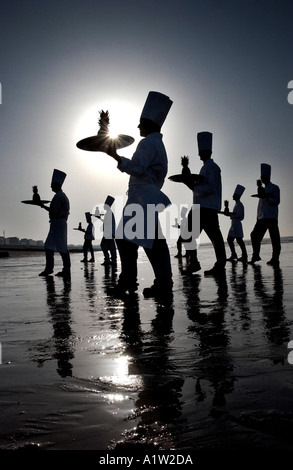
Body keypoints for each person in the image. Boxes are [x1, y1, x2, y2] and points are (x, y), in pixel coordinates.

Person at [106, 91, 173, 302]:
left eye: (140, 123)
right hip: (146, 198)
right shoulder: (158, 144)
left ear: (149, 123)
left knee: (129, 241)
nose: (137, 127)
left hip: (142, 199)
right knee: (152, 242)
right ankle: (162, 283)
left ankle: (129, 281)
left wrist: (115, 155)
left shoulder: (148, 143)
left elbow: (137, 167)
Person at [183, 131, 226, 276]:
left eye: (203, 152)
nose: (200, 154)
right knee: (192, 234)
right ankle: (195, 262)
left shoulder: (212, 167)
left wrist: (194, 186)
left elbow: (211, 187)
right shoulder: (205, 168)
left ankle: (213, 264)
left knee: (211, 236)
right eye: (200, 152)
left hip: (206, 208)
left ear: (209, 152)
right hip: (202, 207)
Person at [39, 169, 71, 278]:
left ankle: (65, 270)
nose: (51, 187)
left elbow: (54, 211)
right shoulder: (61, 196)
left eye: (52, 185)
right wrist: (43, 206)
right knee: (49, 246)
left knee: (61, 247)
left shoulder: (59, 197)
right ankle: (50, 269)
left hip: (58, 223)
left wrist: (42, 205)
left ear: (57, 184)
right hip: (58, 223)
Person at [249, 163, 281, 266]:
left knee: (274, 239)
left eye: (264, 177)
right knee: (254, 236)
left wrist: (266, 197)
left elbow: (276, 201)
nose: (263, 179)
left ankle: (275, 259)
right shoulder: (262, 189)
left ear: (268, 177)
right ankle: (256, 255)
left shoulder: (275, 188)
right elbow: (260, 205)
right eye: (262, 178)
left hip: (271, 217)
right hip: (262, 218)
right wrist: (257, 217)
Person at [225, 184, 248, 263]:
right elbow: (234, 214)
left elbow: (240, 215)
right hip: (233, 224)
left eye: (234, 195)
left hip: (237, 224)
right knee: (230, 239)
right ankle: (234, 254)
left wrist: (231, 215)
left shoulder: (240, 205)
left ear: (237, 196)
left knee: (239, 240)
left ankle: (244, 255)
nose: (232, 196)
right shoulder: (237, 205)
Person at [99, 195, 117, 266]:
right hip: (109, 232)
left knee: (106, 245)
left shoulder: (109, 213)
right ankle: (111, 259)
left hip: (109, 232)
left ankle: (109, 259)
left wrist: (99, 218)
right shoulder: (109, 212)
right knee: (110, 246)